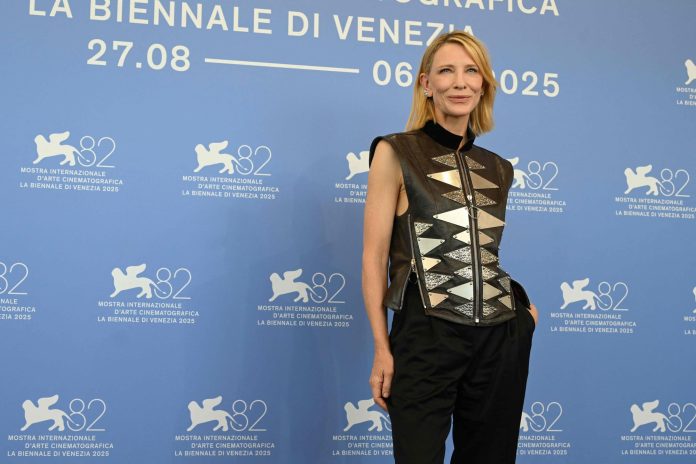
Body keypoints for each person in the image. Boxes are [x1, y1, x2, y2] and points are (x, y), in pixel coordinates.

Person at [362, 31, 538, 464]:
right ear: (427, 84)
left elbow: (485, 253)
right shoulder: (395, 152)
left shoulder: (499, 168)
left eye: (471, 71)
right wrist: (382, 347)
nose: (459, 82)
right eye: (446, 71)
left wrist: (524, 320)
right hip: (425, 334)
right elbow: (374, 257)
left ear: (484, 84)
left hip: (500, 336)